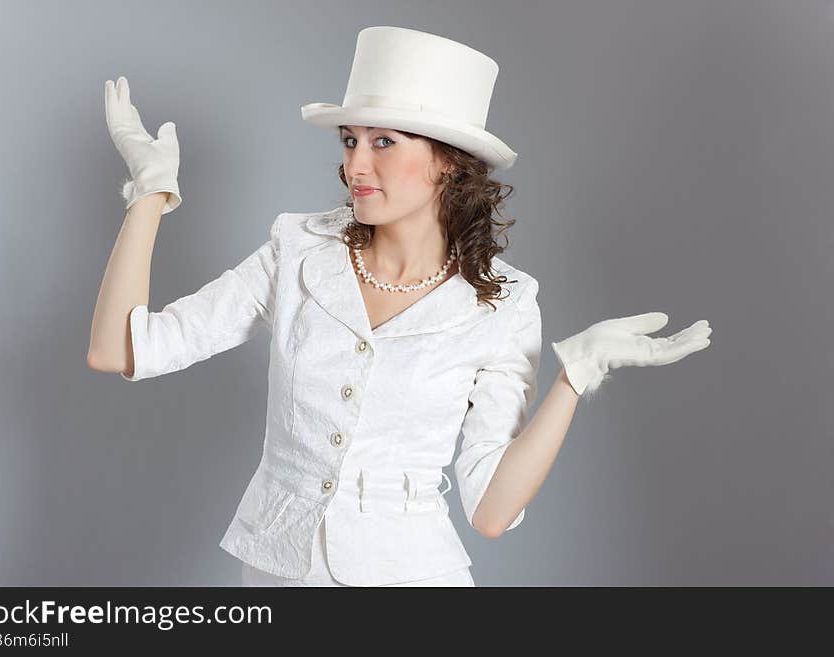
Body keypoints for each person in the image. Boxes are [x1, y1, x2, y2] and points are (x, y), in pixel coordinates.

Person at [87, 26, 713, 587]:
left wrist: (576, 376)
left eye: (383, 142)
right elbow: (119, 349)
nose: (354, 164)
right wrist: (149, 193)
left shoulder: (505, 304)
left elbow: (492, 511)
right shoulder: (298, 251)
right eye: (349, 140)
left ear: (449, 164)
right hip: (279, 569)